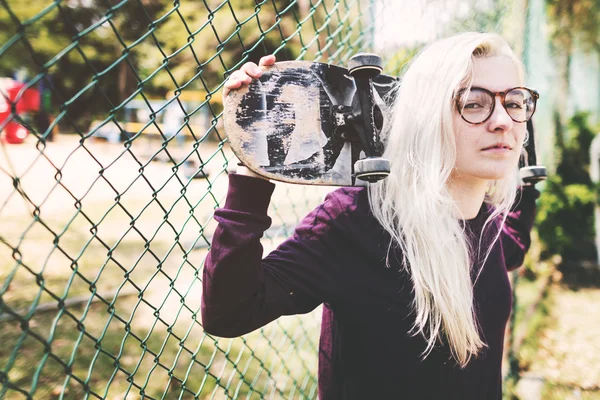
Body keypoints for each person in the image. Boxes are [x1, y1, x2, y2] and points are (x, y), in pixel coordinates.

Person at [201, 32, 540, 399]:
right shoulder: (358, 221)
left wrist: (527, 187)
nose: (503, 121)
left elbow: (515, 245)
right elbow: (229, 313)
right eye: (474, 104)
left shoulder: (490, 225)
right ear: (426, 118)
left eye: (515, 102)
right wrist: (252, 166)